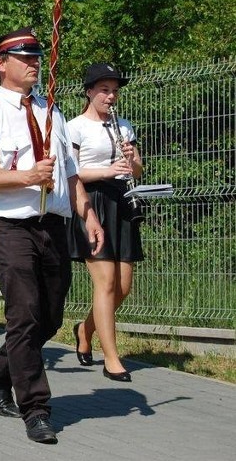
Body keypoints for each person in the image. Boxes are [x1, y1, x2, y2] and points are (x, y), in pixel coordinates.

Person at [0, 27, 104, 444]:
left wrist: (87, 214)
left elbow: (69, 173)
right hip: (10, 228)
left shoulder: (51, 110)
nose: (35, 63)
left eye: (38, 57)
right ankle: (36, 409)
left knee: (50, 318)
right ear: (1, 64)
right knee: (23, 315)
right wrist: (26, 176)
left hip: (53, 226)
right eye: (25, 58)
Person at [68, 62, 143, 382]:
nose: (111, 96)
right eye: (104, 90)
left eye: (114, 91)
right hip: (90, 202)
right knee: (106, 282)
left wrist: (131, 160)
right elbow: (71, 174)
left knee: (123, 287)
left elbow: (137, 170)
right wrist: (107, 171)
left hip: (122, 201)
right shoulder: (75, 127)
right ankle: (111, 358)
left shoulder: (123, 126)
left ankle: (84, 329)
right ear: (89, 92)